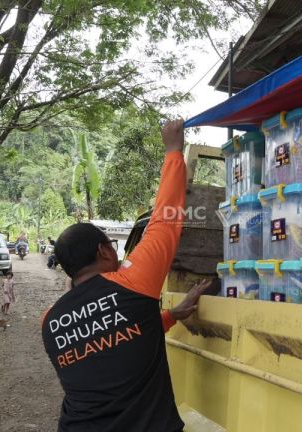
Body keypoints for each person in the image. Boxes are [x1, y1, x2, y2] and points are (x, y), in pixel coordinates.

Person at [41, 119, 206, 432]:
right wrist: (173, 151)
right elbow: (164, 218)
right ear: (104, 252)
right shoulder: (133, 282)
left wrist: (171, 316)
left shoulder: (49, 321)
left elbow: (109, 345)